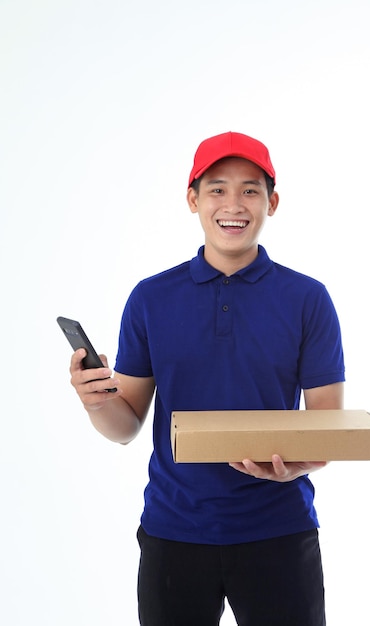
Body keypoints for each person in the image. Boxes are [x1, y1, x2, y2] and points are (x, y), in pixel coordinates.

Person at [69, 131, 345, 626]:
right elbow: (126, 424)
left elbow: (328, 426)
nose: (233, 204)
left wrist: (294, 466)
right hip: (174, 532)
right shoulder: (151, 298)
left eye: (250, 189)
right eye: (217, 188)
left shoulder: (308, 299)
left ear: (272, 202)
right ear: (193, 199)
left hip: (278, 531)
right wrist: (96, 401)